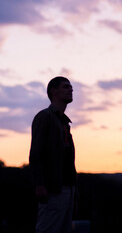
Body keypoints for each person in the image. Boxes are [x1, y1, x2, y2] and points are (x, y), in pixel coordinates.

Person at [29, 76, 77, 233]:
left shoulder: (63, 121)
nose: (71, 89)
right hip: (53, 189)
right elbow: (36, 153)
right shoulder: (45, 117)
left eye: (70, 87)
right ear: (53, 91)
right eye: (65, 86)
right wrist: (40, 184)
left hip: (67, 188)